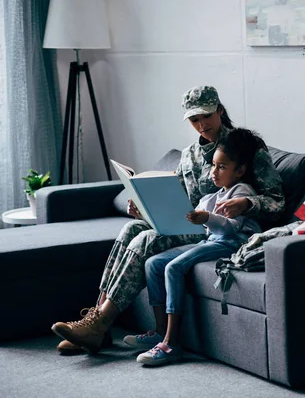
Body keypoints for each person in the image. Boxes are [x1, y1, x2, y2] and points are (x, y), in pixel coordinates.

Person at [51, 86, 285, 354]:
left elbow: (276, 202)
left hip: (215, 228)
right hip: (188, 221)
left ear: (220, 110)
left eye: (206, 116)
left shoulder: (244, 147)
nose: (201, 125)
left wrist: (247, 203)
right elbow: (179, 201)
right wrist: (146, 209)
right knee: (131, 228)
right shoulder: (189, 155)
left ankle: (100, 323)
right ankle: (96, 323)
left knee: (147, 240)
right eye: (194, 120)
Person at [123, 128, 263, 366]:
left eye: (221, 167)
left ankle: (171, 343)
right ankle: (159, 331)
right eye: (213, 166)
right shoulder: (210, 198)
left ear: (239, 171)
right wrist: (144, 214)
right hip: (209, 241)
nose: (214, 172)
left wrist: (207, 218)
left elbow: (231, 228)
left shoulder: (241, 192)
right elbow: (184, 223)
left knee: (173, 268)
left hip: (233, 243)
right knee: (154, 263)